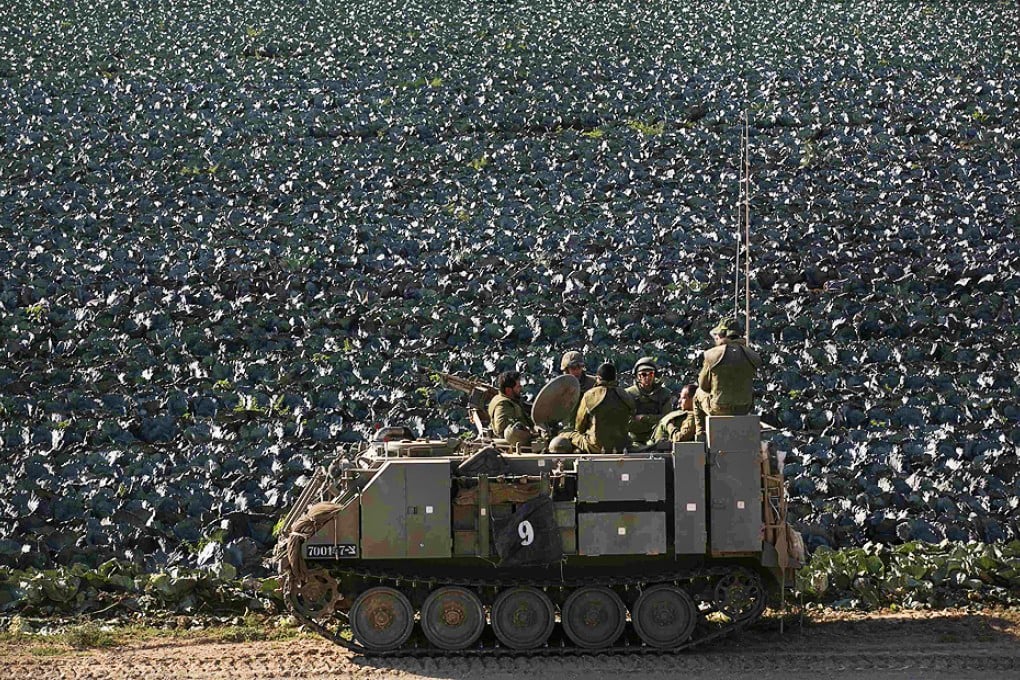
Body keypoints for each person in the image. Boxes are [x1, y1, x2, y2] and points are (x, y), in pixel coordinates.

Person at [693, 318, 763, 441]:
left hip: (719, 408)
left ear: (722, 334)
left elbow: (703, 385)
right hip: (744, 408)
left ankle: (700, 433)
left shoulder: (712, 355)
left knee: (697, 395)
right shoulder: (752, 355)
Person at [567, 363, 635, 453]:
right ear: (615, 378)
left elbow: (579, 427)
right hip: (621, 446)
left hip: (595, 446)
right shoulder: (626, 395)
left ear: (598, 378)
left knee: (564, 435)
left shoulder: (589, 395)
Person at [626, 356, 672, 445]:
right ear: (637, 376)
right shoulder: (629, 394)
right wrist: (653, 424)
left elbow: (667, 418)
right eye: (643, 374)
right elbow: (627, 422)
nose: (647, 377)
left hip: (658, 438)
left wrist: (645, 418)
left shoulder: (664, 394)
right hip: (635, 440)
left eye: (650, 374)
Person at [488, 371, 534, 439]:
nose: (521, 389)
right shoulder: (503, 404)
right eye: (518, 387)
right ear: (508, 390)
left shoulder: (507, 398)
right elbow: (501, 429)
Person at [560, 350, 596, 426]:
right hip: (568, 427)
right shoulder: (559, 386)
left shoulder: (593, 383)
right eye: (573, 368)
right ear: (566, 370)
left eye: (579, 367)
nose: (577, 370)